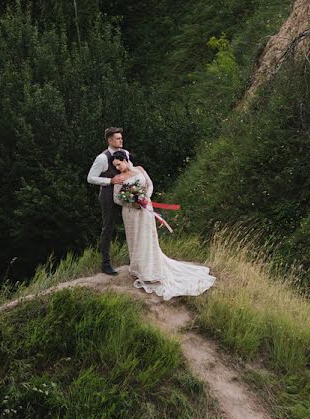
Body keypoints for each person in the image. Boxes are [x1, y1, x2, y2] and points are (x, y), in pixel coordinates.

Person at [111, 150, 216, 298]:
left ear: (125, 160)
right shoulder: (119, 178)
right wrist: (131, 201)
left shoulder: (139, 169)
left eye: (119, 164)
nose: (118, 168)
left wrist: (144, 197)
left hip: (145, 207)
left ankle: (152, 268)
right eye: (115, 166)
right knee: (135, 239)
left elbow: (150, 184)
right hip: (131, 213)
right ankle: (140, 269)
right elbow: (116, 198)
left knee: (148, 236)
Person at [86, 127, 132, 275]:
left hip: (127, 194)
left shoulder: (126, 154)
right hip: (107, 196)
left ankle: (134, 260)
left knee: (131, 224)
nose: (121, 140)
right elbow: (90, 178)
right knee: (108, 228)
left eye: (121, 137)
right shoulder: (102, 158)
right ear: (110, 140)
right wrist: (110, 180)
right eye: (118, 138)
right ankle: (105, 264)